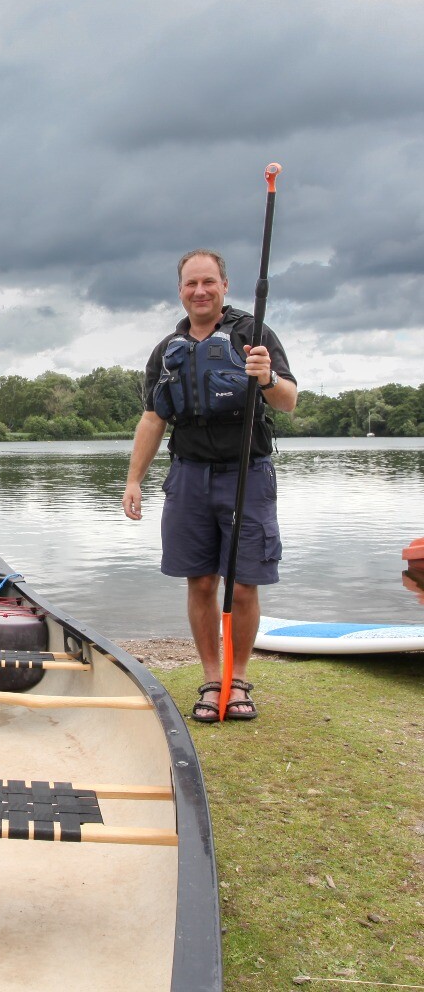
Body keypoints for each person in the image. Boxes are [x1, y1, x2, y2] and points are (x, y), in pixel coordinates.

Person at [122, 249, 297, 722]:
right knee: (199, 581)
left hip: (247, 473)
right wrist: (134, 480)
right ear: (180, 291)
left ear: (224, 285)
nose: (199, 291)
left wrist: (266, 377)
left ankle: (238, 679)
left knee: (242, 586)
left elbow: (288, 400)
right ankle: (211, 677)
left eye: (208, 282)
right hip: (188, 475)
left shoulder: (252, 334)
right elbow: (154, 416)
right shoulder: (166, 350)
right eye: (190, 284)